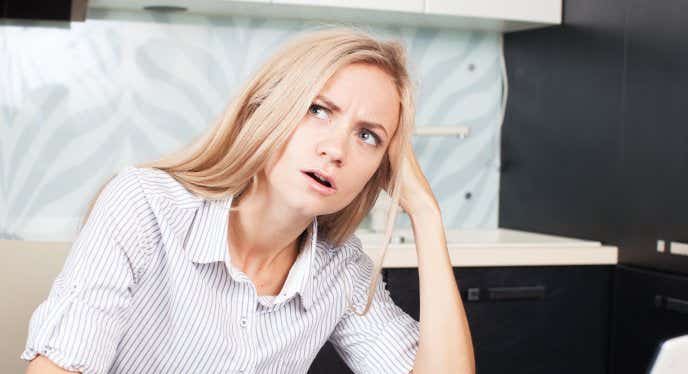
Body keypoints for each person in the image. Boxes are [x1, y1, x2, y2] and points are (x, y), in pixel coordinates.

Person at [21, 27, 475, 374]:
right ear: (265, 108)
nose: (336, 150)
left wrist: (425, 215)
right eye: (318, 110)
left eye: (368, 136)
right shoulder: (144, 205)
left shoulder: (340, 271)